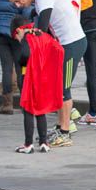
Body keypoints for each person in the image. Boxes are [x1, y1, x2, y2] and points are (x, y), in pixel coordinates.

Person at [6, 0, 88, 147]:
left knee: (64, 87)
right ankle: (60, 126)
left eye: (17, 0)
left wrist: (27, 35)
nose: (18, 5)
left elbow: (42, 28)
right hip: (65, 44)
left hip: (72, 44)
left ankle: (65, 131)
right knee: (59, 86)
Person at [10, 14, 61, 154]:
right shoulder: (41, 34)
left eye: (16, 36)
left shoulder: (27, 38)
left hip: (28, 77)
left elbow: (25, 55)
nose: (17, 40)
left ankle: (28, 144)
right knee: (41, 110)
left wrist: (21, 61)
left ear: (19, 30)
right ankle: (44, 142)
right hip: (42, 78)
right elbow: (58, 48)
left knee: (28, 109)